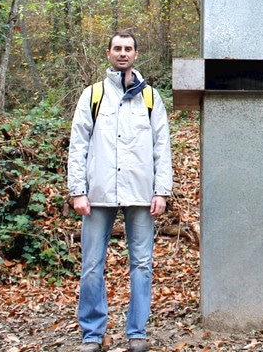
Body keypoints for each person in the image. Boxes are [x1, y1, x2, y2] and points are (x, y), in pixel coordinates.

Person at [67, 30, 173, 352]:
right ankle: (92, 334)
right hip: (98, 193)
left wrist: (162, 191)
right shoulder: (93, 96)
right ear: (108, 53)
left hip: (141, 194)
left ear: (136, 54)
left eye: (128, 48)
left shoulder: (151, 98)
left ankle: (136, 333)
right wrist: (77, 190)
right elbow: (78, 145)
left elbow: (162, 148)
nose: (123, 53)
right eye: (117, 48)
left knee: (142, 263)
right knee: (91, 265)